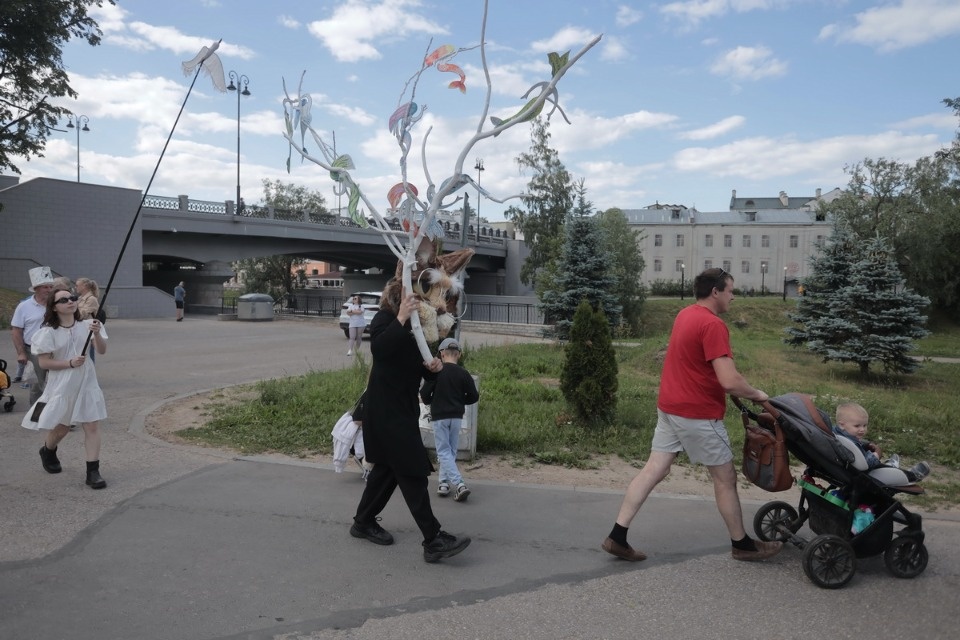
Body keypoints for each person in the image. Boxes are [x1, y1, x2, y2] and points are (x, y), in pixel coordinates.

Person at [602, 267, 783, 563]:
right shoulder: (713, 325)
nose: (733, 296)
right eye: (730, 290)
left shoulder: (685, 314)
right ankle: (742, 544)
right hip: (697, 414)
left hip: (670, 407)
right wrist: (759, 395)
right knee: (725, 478)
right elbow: (729, 380)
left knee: (654, 469)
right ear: (715, 291)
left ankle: (617, 536)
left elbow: (697, 365)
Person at [350, 278, 471, 563]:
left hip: (402, 409)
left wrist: (433, 368)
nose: (420, 306)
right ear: (398, 301)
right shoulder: (384, 319)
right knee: (412, 471)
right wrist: (401, 317)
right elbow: (380, 350)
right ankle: (433, 538)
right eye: (413, 301)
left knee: (386, 472)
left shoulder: (413, 328)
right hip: (385, 411)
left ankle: (363, 522)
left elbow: (418, 367)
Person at [20, 287, 109, 489]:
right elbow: (44, 363)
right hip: (62, 384)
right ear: (54, 307)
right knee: (62, 427)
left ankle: (93, 472)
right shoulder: (47, 332)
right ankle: (48, 450)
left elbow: (102, 350)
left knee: (92, 425)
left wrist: (97, 334)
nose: (70, 301)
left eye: (72, 297)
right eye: (63, 300)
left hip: (87, 382)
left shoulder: (88, 325)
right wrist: (69, 363)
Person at [420, 337, 479, 502]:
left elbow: (424, 395)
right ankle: (443, 483)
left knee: (443, 451)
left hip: (439, 417)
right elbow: (474, 396)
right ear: (459, 354)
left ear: (441, 354)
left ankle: (459, 484)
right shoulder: (463, 373)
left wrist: (433, 400)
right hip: (457, 417)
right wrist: (460, 401)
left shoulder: (436, 372)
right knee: (451, 451)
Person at [833, 402, 929, 480]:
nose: (862, 429)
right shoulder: (850, 443)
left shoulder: (835, 433)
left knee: (879, 463)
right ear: (842, 425)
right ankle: (912, 476)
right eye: (857, 426)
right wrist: (878, 453)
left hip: (846, 468)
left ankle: (891, 466)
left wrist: (865, 444)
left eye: (865, 425)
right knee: (880, 468)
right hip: (863, 473)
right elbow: (866, 464)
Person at [11, 267, 56, 405]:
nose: (49, 290)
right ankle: (36, 412)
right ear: (36, 288)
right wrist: (21, 353)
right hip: (34, 350)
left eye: (51, 287)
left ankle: (56, 411)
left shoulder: (56, 304)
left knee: (57, 381)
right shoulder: (24, 306)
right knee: (37, 384)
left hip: (56, 349)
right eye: (45, 287)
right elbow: (16, 330)